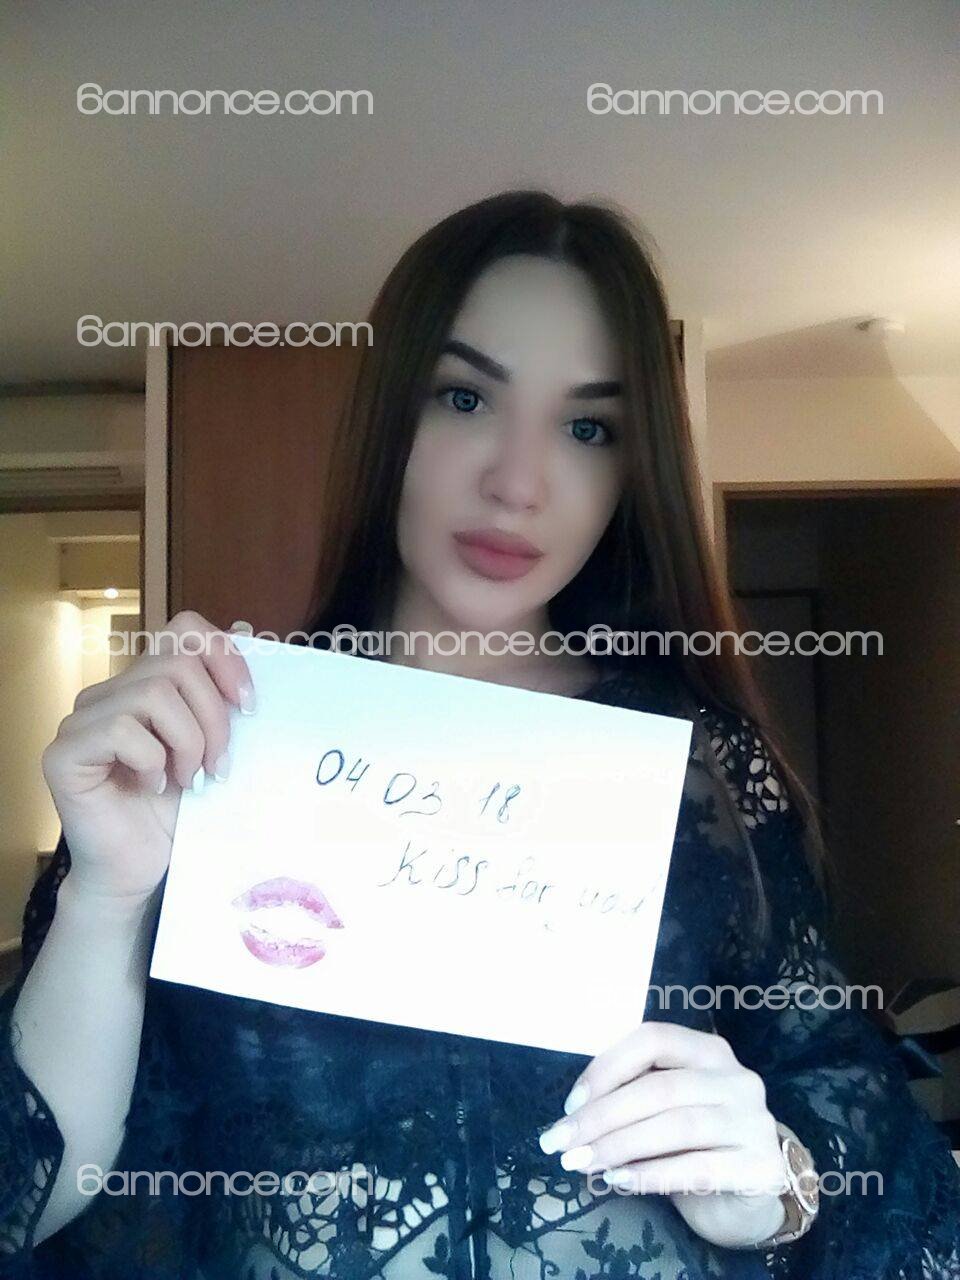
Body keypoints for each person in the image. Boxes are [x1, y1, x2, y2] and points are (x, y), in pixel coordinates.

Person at [2, 191, 958, 1280]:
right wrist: (105, 897)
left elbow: (842, 1085)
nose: (517, 483)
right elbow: (31, 1201)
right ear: (388, 419)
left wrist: (771, 1183)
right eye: (463, 397)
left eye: (589, 427)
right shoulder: (219, 740)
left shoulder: (704, 767)